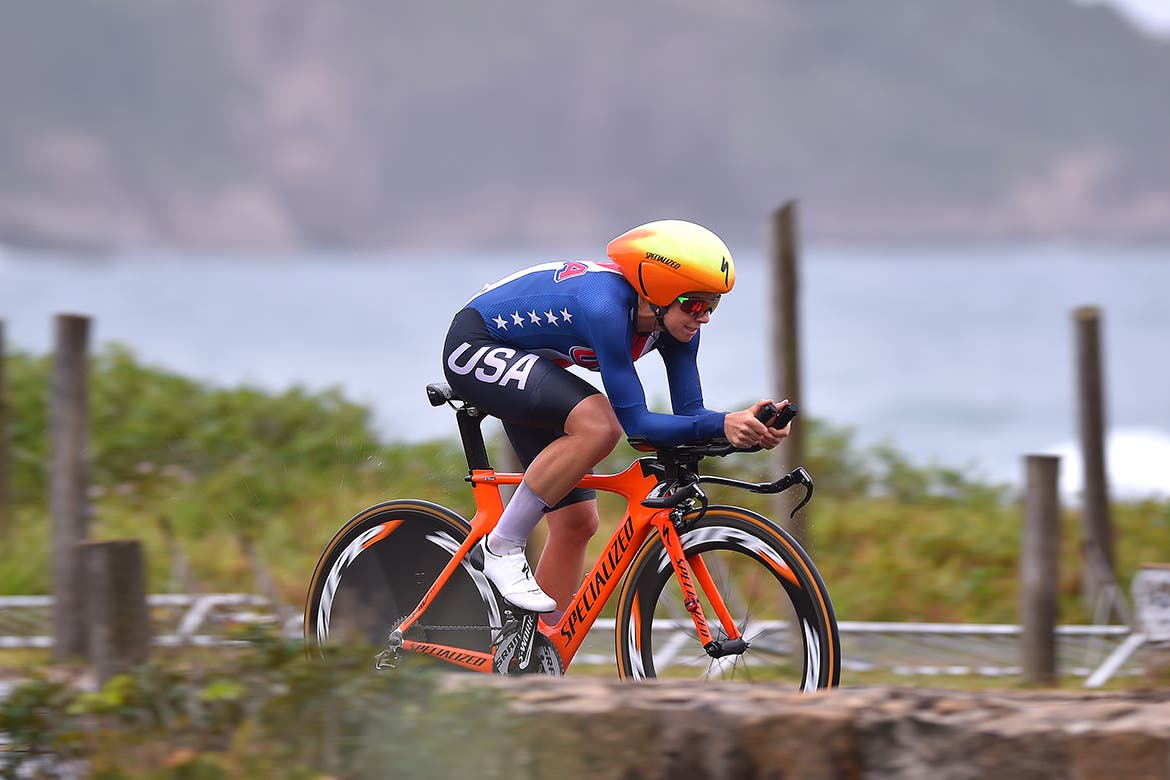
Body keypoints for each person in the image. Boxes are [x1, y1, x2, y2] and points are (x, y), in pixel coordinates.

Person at [441, 219, 791, 617]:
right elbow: (636, 425)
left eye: (712, 305)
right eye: (695, 304)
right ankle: (501, 546)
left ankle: (540, 645)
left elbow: (691, 415)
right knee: (599, 424)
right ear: (659, 292)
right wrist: (722, 424)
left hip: (530, 363)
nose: (705, 317)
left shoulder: (675, 326)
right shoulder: (605, 307)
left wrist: (745, 427)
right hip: (476, 344)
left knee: (577, 523)